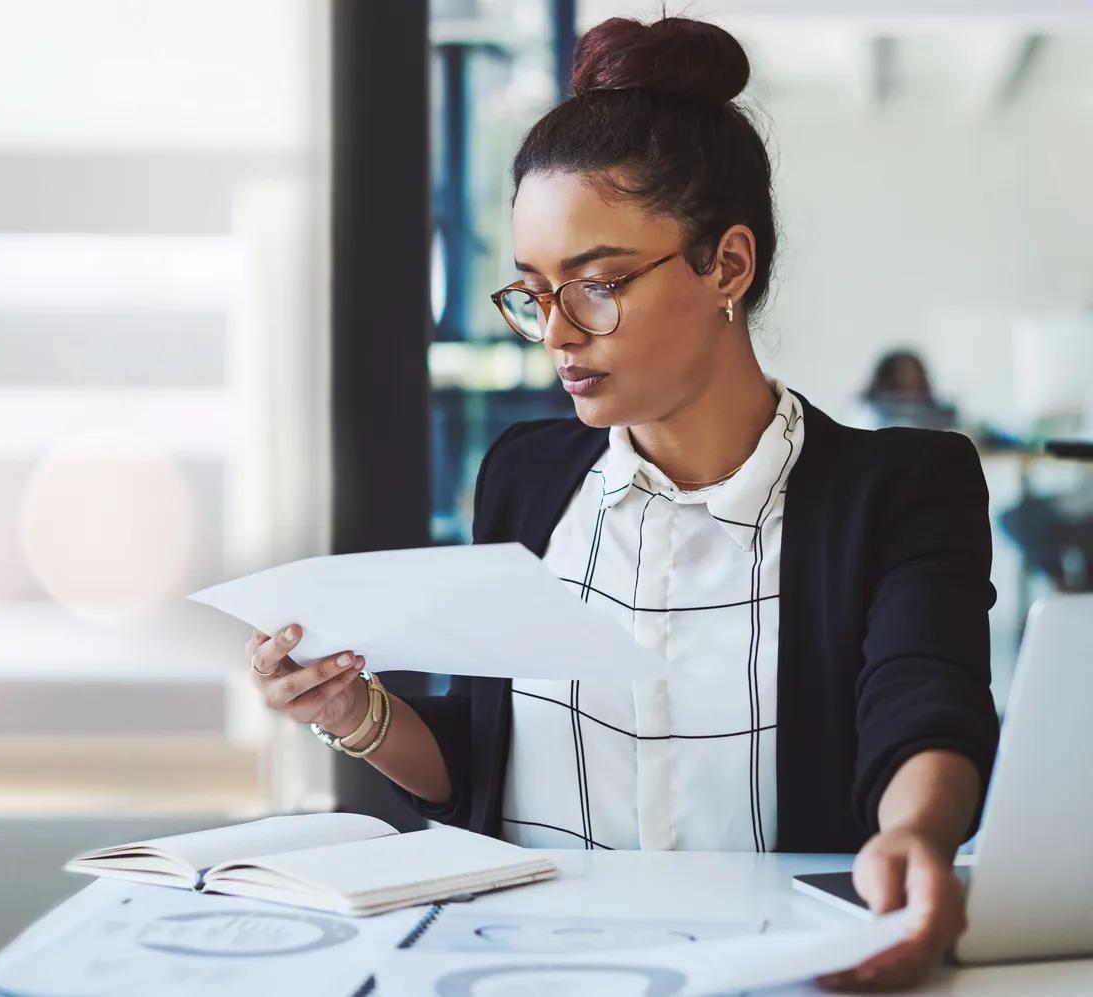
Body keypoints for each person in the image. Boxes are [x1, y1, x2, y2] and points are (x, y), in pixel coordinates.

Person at [245, 16, 996, 992]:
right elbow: (488, 756)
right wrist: (353, 711)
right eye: (531, 292)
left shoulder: (897, 486)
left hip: (774, 974)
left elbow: (921, 702)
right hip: (526, 972)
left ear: (726, 265)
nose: (555, 334)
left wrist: (910, 832)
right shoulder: (523, 477)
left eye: (595, 284)